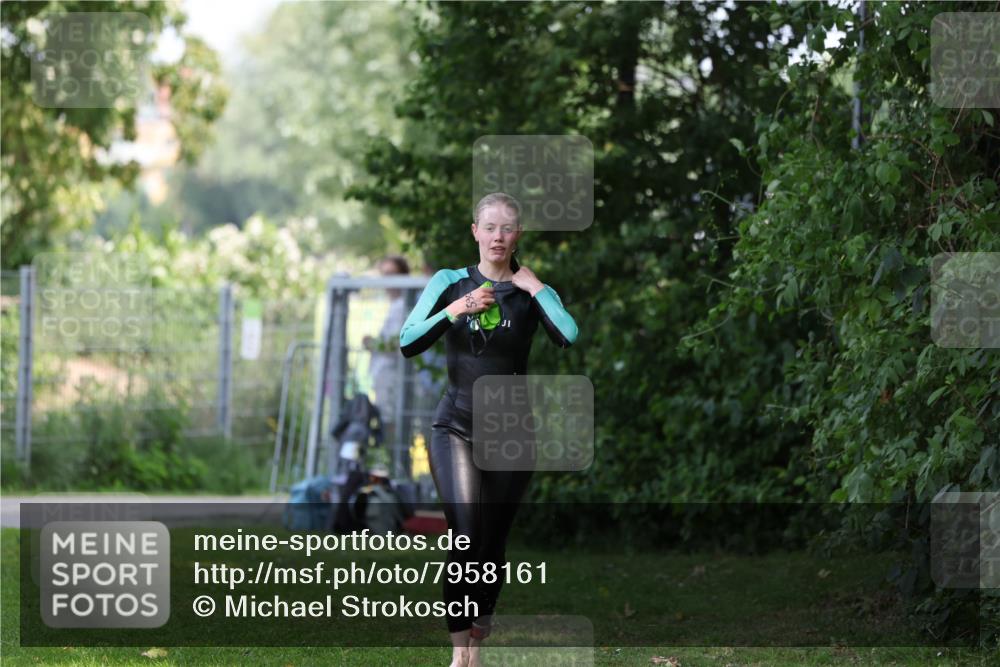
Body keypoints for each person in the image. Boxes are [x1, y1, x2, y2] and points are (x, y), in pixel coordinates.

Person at [398, 193, 578, 667]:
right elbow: (407, 340)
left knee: (492, 540)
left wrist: (536, 287)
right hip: (454, 424)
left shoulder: (532, 290)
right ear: (474, 231)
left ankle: (480, 633)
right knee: (466, 534)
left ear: (518, 235)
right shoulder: (449, 283)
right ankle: (461, 656)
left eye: (508, 228)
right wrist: (455, 310)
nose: (498, 236)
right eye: (490, 227)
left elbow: (569, 334)